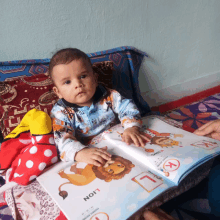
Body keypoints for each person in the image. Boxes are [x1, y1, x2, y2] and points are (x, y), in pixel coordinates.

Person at [49, 48, 149, 167]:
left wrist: (131, 127)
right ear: (58, 91)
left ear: (95, 79)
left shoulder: (109, 96)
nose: (78, 84)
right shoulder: (61, 113)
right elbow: (62, 140)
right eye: (67, 82)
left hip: (120, 141)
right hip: (91, 152)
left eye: (83, 76)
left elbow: (127, 107)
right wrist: (80, 153)